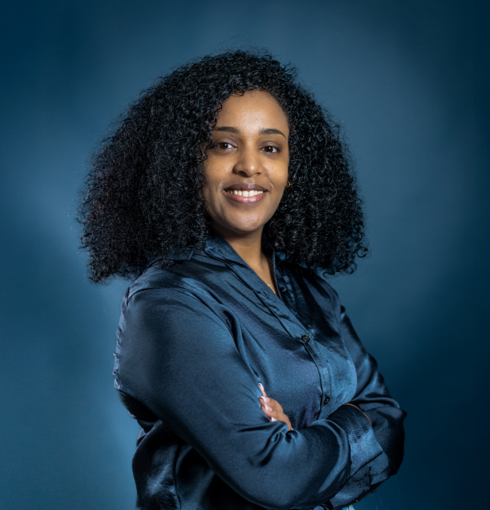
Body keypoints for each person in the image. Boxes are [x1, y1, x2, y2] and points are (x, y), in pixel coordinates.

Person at [79, 50, 406, 510]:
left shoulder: (311, 292)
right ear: (184, 161)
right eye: (224, 145)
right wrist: (347, 430)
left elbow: (389, 420)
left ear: (294, 168)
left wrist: (303, 439)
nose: (250, 166)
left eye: (270, 147)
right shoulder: (168, 303)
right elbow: (277, 477)